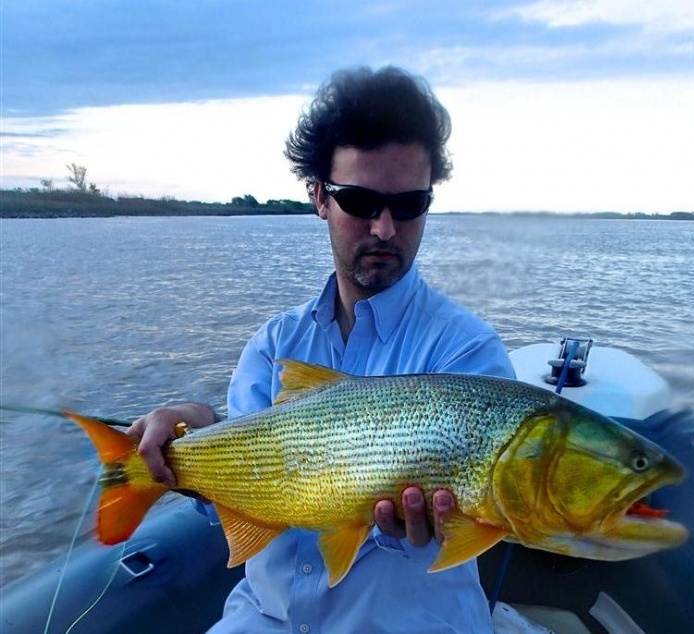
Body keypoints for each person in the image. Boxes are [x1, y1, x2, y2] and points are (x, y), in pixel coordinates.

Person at [129, 66, 515, 633]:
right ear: (318, 197)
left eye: (409, 205)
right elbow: (244, 482)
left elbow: (480, 521)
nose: (385, 227)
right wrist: (194, 428)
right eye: (361, 200)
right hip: (266, 618)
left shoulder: (466, 354)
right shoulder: (273, 346)